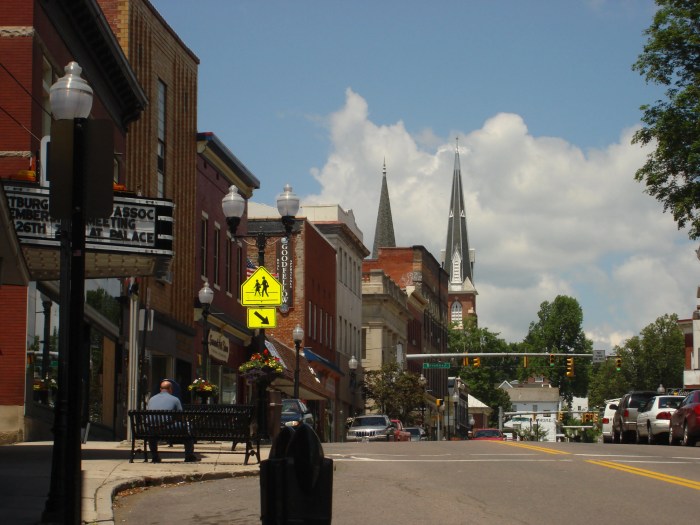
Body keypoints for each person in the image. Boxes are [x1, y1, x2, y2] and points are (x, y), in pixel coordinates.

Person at [146, 380, 199, 463]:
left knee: (152, 436)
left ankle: (155, 457)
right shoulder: (175, 400)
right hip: (169, 429)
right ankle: (189, 455)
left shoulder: (151, 399)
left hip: (152, 430)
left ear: (160, 389)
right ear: (170, 389)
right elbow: (181, 416)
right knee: (188, 429)